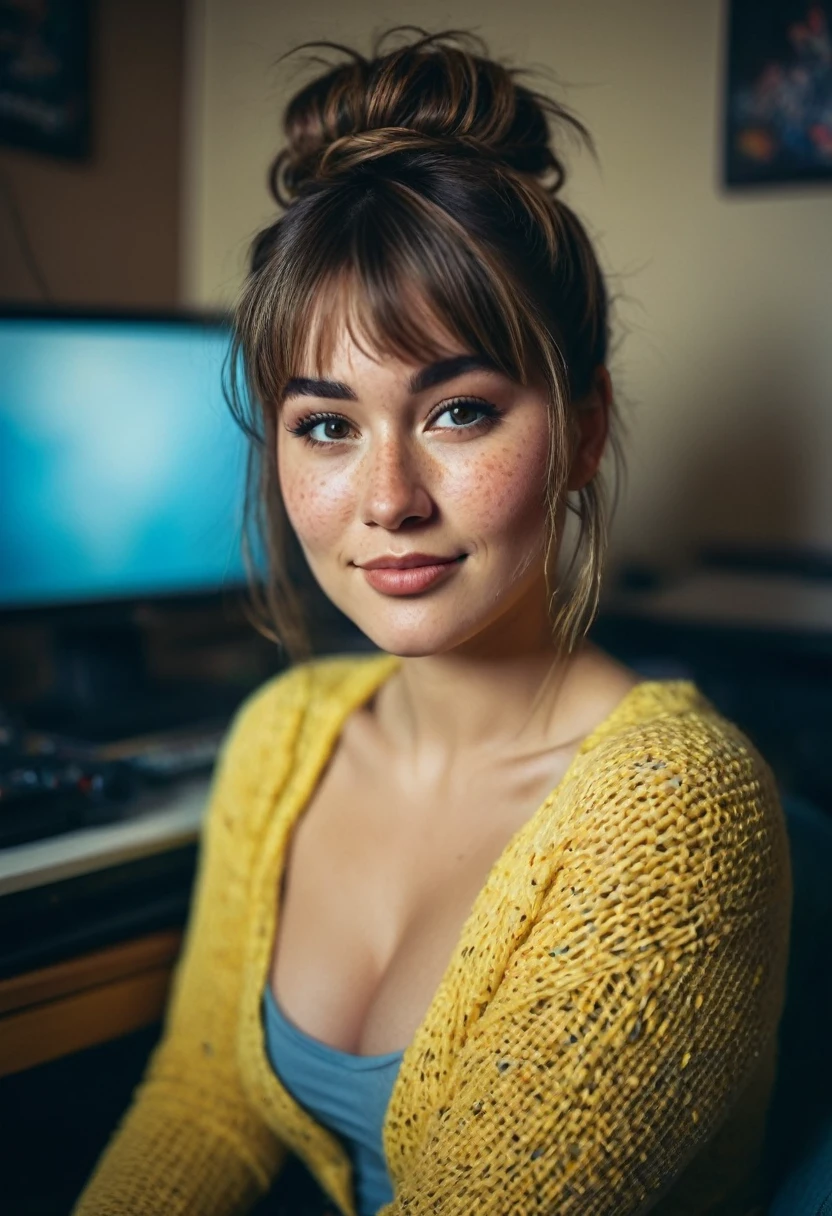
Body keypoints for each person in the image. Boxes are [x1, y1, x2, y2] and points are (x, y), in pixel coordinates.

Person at [72, 26, 792, 1216]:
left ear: (584, 427)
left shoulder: (676, 819)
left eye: (458, 411)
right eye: (325, 424)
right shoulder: (279, 738)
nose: (390, 498)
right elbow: (201, 1103)